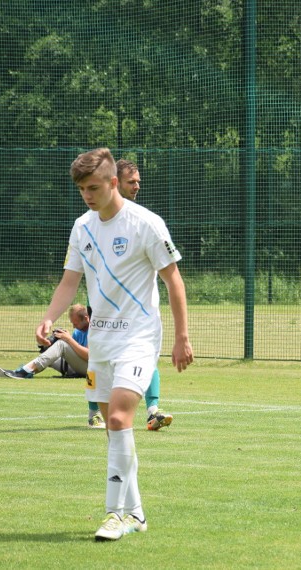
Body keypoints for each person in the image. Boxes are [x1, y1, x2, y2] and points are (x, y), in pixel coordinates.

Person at [37, 147, 193, 541]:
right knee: (114, 429)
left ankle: (114, 515)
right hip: (102, 342)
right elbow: (70, 280)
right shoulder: (81, 227)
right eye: (81, 190)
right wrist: (49, 316)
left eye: (93, 187)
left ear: (112, 182)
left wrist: (181, 337)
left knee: (122, 419)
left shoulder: (146, 224)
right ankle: (137, 513)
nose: (87, 196)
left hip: (139, 336)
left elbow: (173, 280)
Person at [116, 159, 173, 431]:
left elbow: (172, 275)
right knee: (104, 362)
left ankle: (152, 410)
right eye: (132, 181)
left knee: (146, 355)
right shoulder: (94, 220)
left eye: (138, 180)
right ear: (115, 182)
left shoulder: (146, 221)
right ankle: (95, 411)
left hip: (142, 313)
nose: (137, 185)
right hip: (110, 313)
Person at [0, 304, 105, 429]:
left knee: (62, 345)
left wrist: (68, 340)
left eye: (75, 323)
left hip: (91, 367)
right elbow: (73, 351)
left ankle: (24, 371)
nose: (73, 326)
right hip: (77, 368)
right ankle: (23, 370)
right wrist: (48, 344)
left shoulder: (95, 329)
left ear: (86, 318)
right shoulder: (78, 331)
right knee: (52, 351)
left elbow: (89, 356)